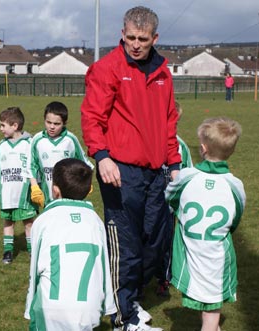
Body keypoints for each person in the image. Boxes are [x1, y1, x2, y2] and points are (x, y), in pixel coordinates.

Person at [80, 6, 181, 331]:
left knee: (153, 241)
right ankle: (124, 318)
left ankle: (131, 298)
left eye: (143, 39)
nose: (136, 44)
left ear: (155, 38)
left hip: (156, 173)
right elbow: (92, 117)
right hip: (119, 170)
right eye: (130, 37)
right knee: (126, 245)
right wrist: (102, 155)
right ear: (122, 34)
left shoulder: (163, 73)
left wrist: (175, 163)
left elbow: (168, 122)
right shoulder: (106, 68)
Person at [166, 117, 245, 331]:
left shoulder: (186, 176)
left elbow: (170, 196)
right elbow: (236, 217)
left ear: (202, 148)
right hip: (217, 254)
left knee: (209, 314)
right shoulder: (235, 185)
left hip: (191, 252)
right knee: (211, 308)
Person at [24, 158, 116, 330]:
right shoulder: (95, 221)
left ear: (55, 189)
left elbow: (35, 267)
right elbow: (103, 265)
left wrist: (30, 308)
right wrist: (108, 305)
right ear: (89, 189)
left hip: (52, 307)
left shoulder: (43, 221)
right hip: (89, 307)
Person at [0, 107, 37, 264]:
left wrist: (36, 186)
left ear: (14, 126)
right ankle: (8, 252)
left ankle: (32, 251)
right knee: (8, 222)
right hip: (7, 192)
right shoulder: (2, 146)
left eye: (3, 125)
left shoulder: (30, 144)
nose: (0, 129)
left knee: (29, 223)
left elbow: (36, 166)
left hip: (25, 193)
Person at [156, 101, 193, 298]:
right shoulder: (149, 141)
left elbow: (188, 177)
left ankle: (164, 278)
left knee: (167, 242)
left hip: (169, 207)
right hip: (148, 203)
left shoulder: (182, 147)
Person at [28, 101, 93, 208]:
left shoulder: (70, 140)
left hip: (69, 197)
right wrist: (34, 187)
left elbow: (84, 163)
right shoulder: (37, 139)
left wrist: (87, 182)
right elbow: (31, 165)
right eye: (48, 122)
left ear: (64, 123)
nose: (52, 127)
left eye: (56, 124)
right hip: (47, 198)